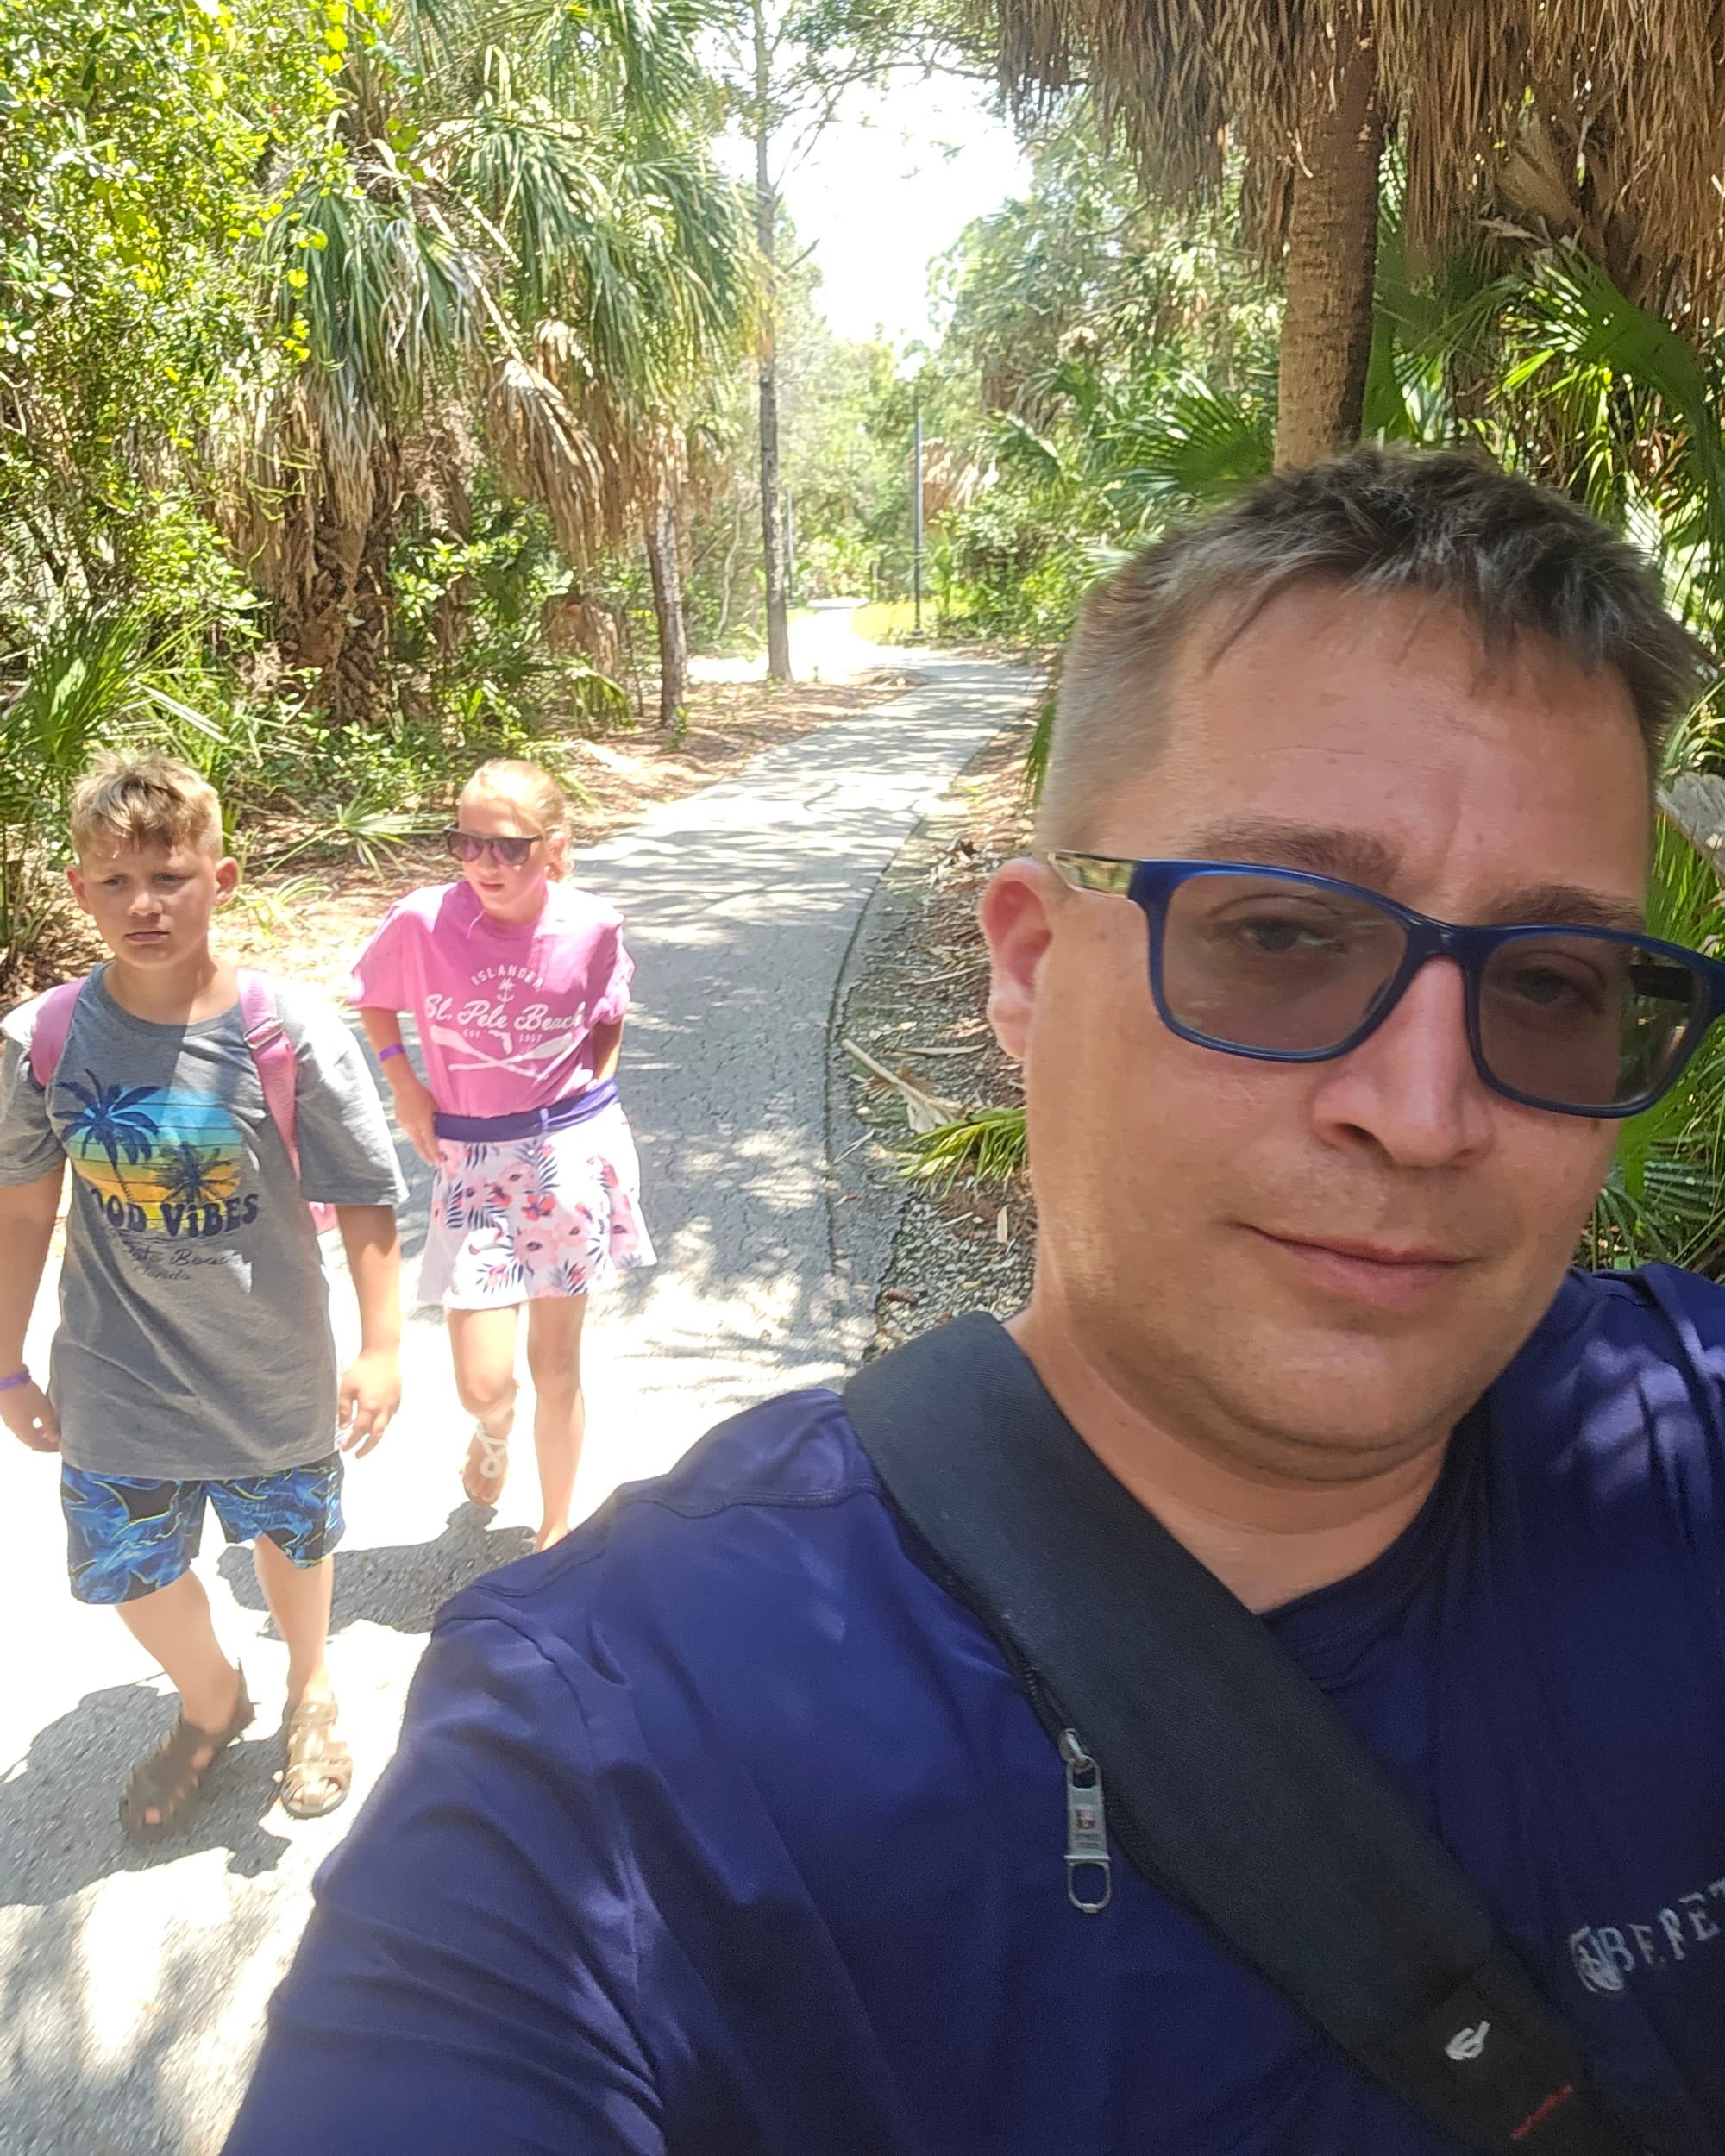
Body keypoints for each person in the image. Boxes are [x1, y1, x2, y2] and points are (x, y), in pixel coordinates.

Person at [225, 450, 1725, 2153]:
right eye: (1284, 936)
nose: (1425, 1108)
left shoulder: (1680, 1451)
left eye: (1550, 985)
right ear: (1026, 966)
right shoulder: (623, 1747)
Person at [0, 753, 405, 1838]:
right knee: (128, 1565)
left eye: (170, 875)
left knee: (295, 1541)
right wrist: (6, 1364)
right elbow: (26, 1213)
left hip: (270, 1362)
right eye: (117, 880)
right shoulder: (42, 1042)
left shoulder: (289, 1031)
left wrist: (381, 1346)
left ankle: (311, 1684)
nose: (145, 904)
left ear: (219, 880)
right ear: (79, 889)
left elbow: (365, 1199)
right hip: (113, 1373)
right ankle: (212, 1700)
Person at [352, 756, 653, 1551]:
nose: (485, 863)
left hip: (565, 1158)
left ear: (554, 847)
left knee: (557, 1365)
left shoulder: (591, 924)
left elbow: (608, 1008)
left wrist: (602, 1088)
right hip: (474, 1162)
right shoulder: (421, 921)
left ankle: (556, 1535)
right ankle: (495, 1430)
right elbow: (375, 997)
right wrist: (405, 1086)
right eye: (468, 843)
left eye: (509, 847)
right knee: (482, 1381)